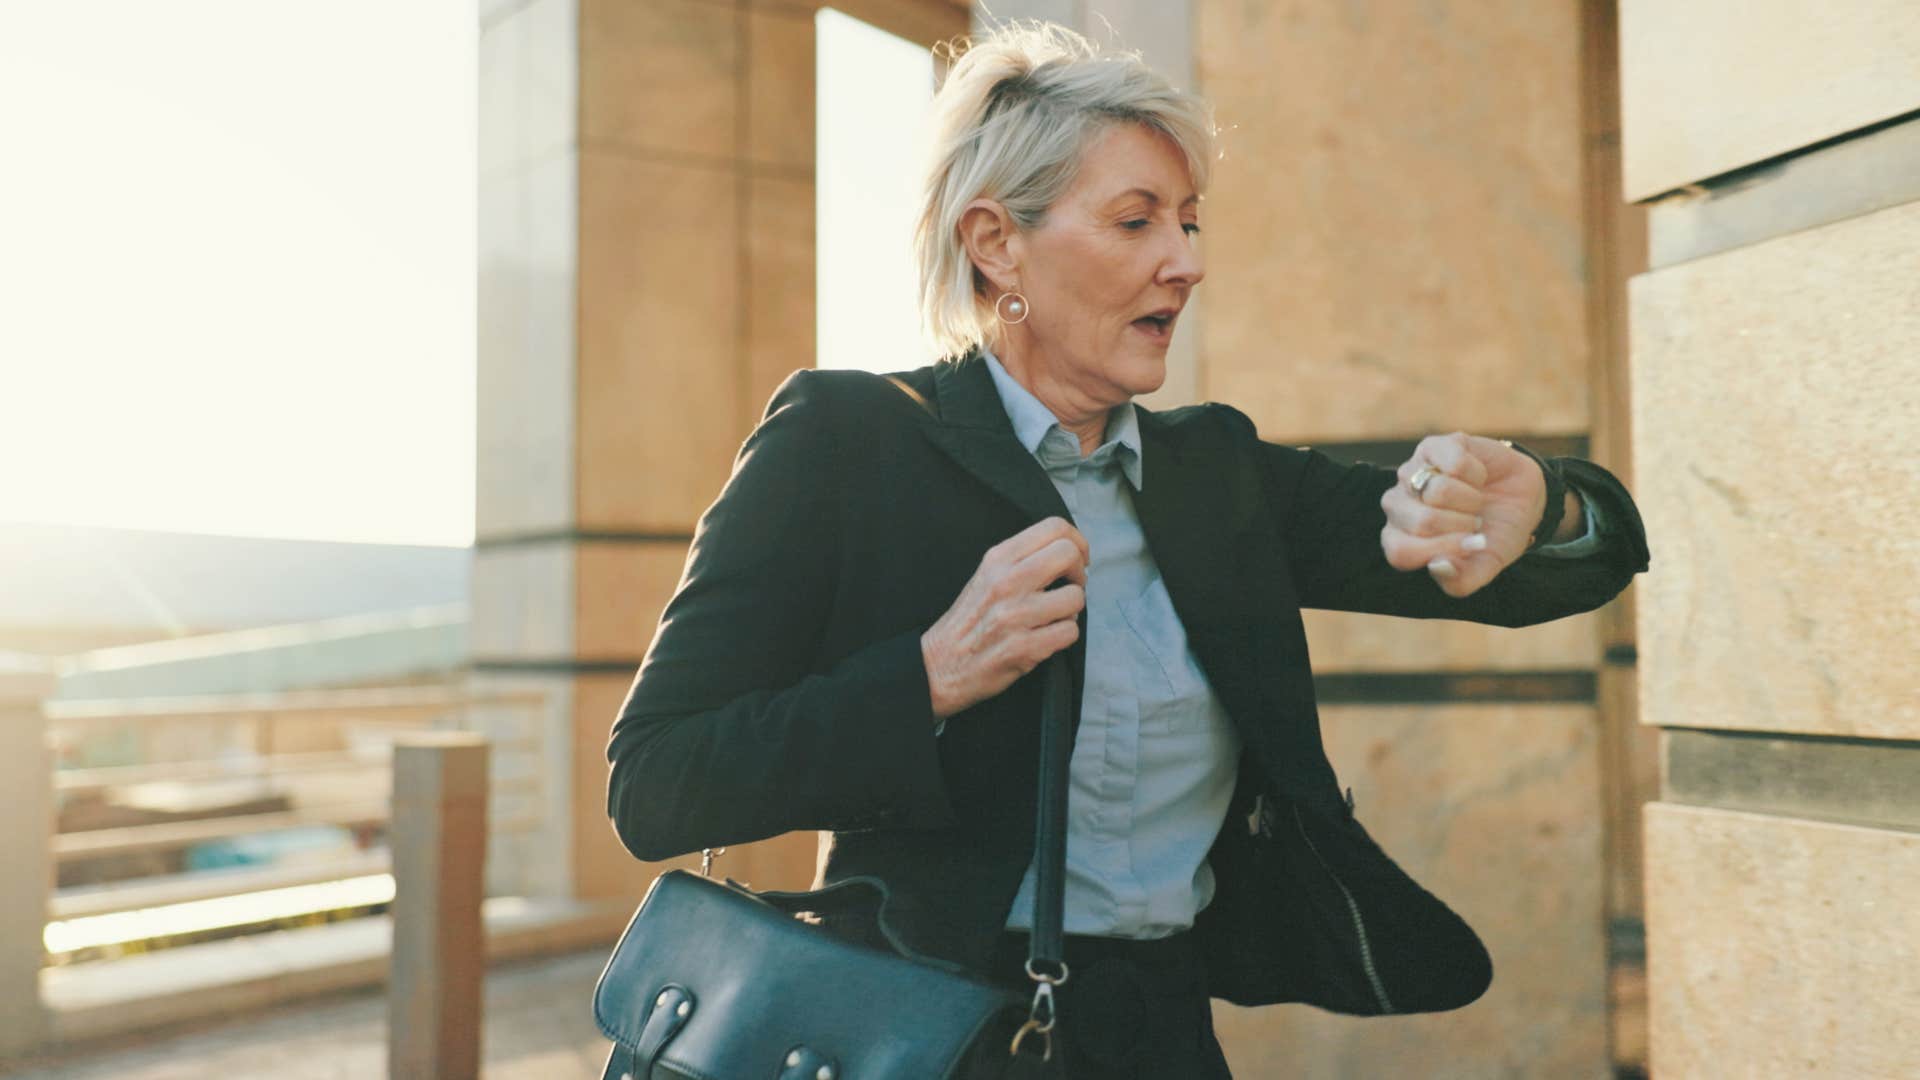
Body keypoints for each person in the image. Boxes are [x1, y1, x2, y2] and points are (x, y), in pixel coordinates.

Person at [607, 21, 1648, 1078]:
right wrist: (927, 678)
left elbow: (1516, 561)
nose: (1185, 262)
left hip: (1161, 1031)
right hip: (920, 1034)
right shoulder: (844, 442)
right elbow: (655, 784)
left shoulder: (1220, 474)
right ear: (996, 242)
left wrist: (1546, 503)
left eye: (1190, 223)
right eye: (1137, 221)